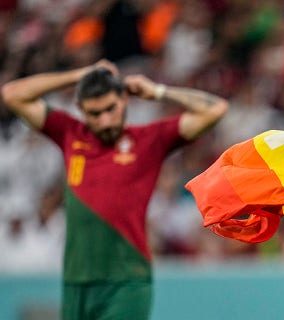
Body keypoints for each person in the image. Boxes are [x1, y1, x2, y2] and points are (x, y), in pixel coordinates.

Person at [1, 59, 228, 319]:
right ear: (81, 110)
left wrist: (157, 92)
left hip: (126, 281)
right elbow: (13, 94)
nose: (106, 120)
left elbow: (215, 109)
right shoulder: (70, 133)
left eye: (111, 109)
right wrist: (80, 74)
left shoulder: (149, 140)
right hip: (76, 283)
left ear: (124, 100)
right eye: (95, 114)